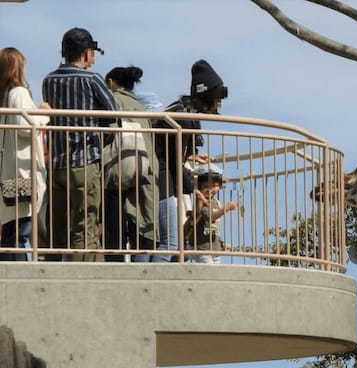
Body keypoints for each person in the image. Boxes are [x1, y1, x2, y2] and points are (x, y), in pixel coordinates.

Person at [42, 27, 117, 261]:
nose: (93, 57)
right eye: (92, 52)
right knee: (85, 226)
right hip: (85, 161)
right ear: (85, 54)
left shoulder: (48, 80)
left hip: (55, 164)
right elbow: (113, 112)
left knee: (57, 228)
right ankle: (81, 282)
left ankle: (51, 278)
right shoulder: (92, 79)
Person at [152, 59, 228, 262]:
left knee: (172, 244)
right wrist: (189, 186)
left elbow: (173, 150)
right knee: (170, 244)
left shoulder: (182, 111)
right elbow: (170, 156)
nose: (218, 104)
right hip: (161, 181)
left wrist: (191, 157)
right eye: (217, 98)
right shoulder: (183, 116)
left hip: (163, 178)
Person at [103, 66, 159, 262]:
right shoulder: (141, 107)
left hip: (118, 166)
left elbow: (108, 131)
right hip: (146, 167)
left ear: (110, 82)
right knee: (142, 223)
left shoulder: (112, 101)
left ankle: (115, 268)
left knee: (114, 227)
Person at [0, 48, 51, 261]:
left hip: (10, 173)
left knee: (12, 232)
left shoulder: (4, 95)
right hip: (23, 174)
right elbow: (24, 126)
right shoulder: (19, 93)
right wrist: (44, 115)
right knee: (21, 232)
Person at [183, 164, 236, 264]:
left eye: (214, 186)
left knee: (216, 270)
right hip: (201, 246)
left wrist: (220, 242)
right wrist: (225, 209)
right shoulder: (200, 201)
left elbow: (214, 226)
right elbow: (210, 217)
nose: (210, 189)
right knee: (208, 269)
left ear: (219, 186)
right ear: (199, 186)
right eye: (206, 186)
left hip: (213, 246)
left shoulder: (215, 201)